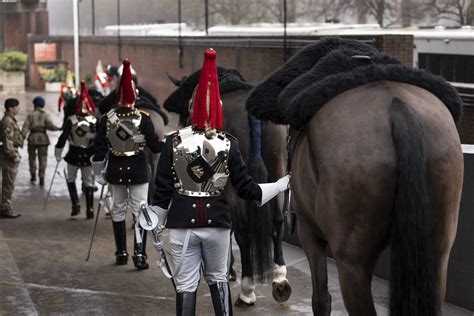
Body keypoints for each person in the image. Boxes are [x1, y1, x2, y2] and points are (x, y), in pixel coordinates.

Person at [149, 49, 289, 316]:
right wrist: (281, 185)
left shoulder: (173, 143)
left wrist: (155, 223)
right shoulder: (229, 144)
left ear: (191, 110)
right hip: (218, 225)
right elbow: (249, 190)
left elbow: (162, 191)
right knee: (219, 281)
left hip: (181, 226)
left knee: (186, 286)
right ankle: (266, 274)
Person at [91, 58, 164, 270]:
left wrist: (98, 173)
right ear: (135, 95)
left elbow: (99, 149)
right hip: (139, 171)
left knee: (118, 210)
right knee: (141, 211)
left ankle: (120, 253)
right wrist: (165, 144)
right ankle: (139, 255)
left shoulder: (106, 119)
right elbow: (154, 146)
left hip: (115, 170)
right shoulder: (144, 117)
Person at [55, 81, 97, 219]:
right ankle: (89, 209)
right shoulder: (94, 120)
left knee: (72, 179)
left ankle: (76, 206)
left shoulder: (71, 120)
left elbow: (63, 137)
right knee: (88, 182)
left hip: (73, 154)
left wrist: (58, 151)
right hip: (87, 155)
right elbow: (100, 140)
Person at [21, 96, 61, 185]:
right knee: (42, 159)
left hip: (32, 138)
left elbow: (25, 128)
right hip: (43, 138)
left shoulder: (30, 115)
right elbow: (50, 126)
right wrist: (59, 128)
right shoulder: (45, 115)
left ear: (34, 105)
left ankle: (33, 175)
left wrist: (21, 139)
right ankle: (41, 177)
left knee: (32, 158)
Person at [0, 98, 23, 218]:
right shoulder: (8, 122)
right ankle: (5, 208)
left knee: (9, 183)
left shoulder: (10, 120)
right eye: (17, 106)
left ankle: (5, 207)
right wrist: (13, 155)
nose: (19, 108)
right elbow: (7, 141)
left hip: (11, 152)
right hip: (8, 156)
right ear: (10, 108)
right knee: (8, 183)